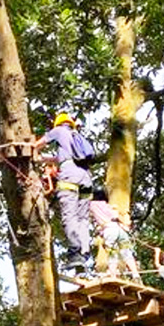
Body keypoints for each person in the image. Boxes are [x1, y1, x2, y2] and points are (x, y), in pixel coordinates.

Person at [34, 112, 93, 275]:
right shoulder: (76, 137)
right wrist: (42, 160)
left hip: (70, 178)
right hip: (86, 179)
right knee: (83, 218)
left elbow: (37, 145)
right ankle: (84, 252)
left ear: (58, 123)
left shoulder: (59, 131)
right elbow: (58, 158)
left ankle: (75, 253)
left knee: (70, 216)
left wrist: (33, 149)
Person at [90, 189, 142, 281]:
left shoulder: (92, 205)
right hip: (120, 229)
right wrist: (125, 226)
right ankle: (136, 275)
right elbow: (117, 216)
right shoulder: (108, 206)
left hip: (109, 230)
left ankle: (113, 276)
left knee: (112, 253)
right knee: (126, 253)